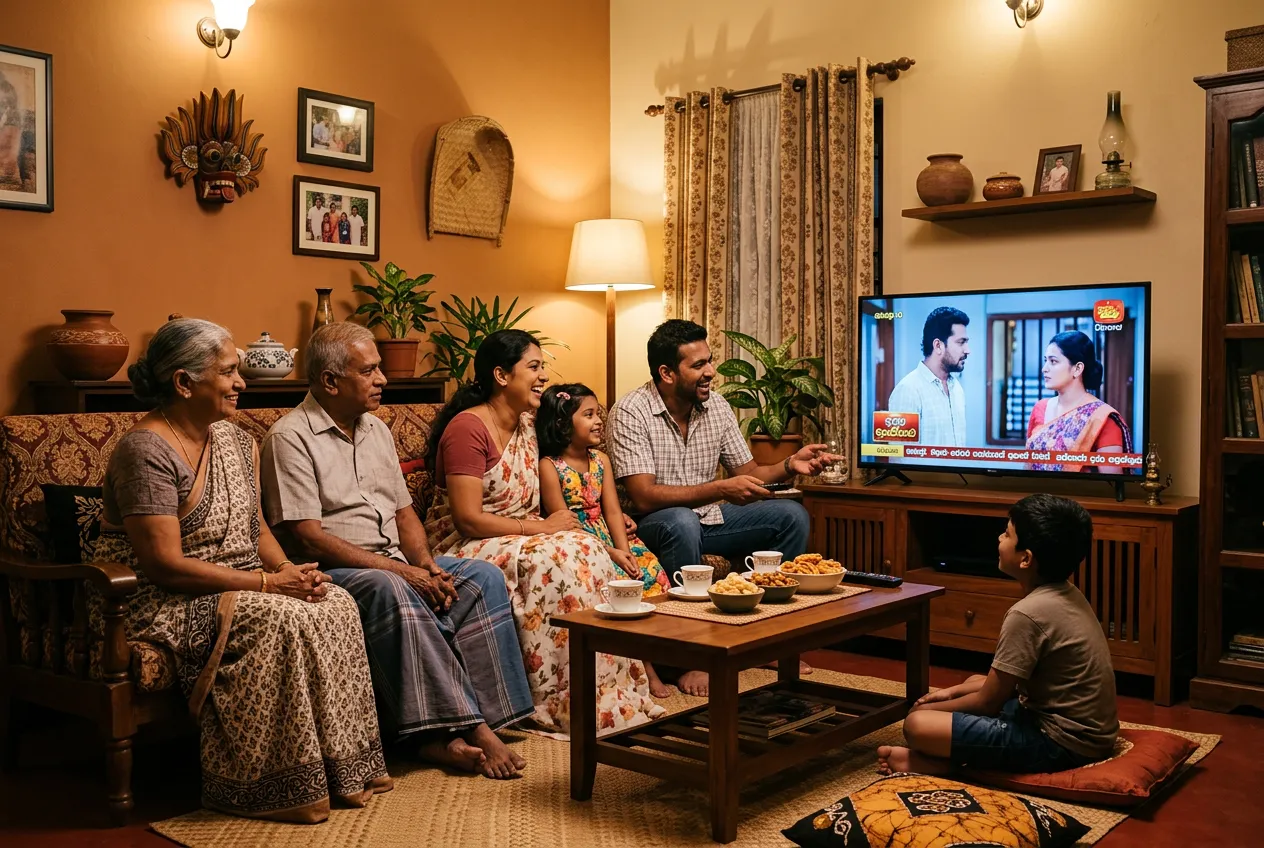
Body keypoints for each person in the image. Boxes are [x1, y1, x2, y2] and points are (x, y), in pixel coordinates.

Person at [92, 318, 390, 822]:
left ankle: (342, 769)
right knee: (280, 616)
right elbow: (164, 566)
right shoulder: (144, 451)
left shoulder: (235, 439)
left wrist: (293, 572)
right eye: (229, 372)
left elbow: (255, 531)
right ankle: (267, 785)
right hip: (160, 601)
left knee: (333, 601)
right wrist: (270, 585)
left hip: (241, 583)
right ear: (184, 383)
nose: (241, 383)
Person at [260, 323, 534, 780]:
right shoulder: (289, 437)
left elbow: (406, 515)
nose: (382, 379)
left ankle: (453, 729)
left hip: (394, 562)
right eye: (368, 371)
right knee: (392, 587)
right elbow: (307, 536)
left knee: (480, 577)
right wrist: (405, 572)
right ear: (330, 381)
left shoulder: (377, 431)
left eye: (380, 370)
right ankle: (472, 726)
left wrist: (426, 565)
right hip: (332, 569)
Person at [422, 329, 665, 738]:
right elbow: (467, 519)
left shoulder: (528, 424)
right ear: (501, 375)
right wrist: (542, 529)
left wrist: (606, 519)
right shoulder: (468, 428)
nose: (543, 376)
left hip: (525, 534)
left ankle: (609, 691)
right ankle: (556, 697)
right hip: (466, 543)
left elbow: (574, 466)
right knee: (558, 558)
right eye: (533, 367)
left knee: (586, 548)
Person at [606, 319, 838, 695]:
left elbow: (748, 472)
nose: (711, 372)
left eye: (709, 361)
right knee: (681, 522)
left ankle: (766, 640)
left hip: (709, 518)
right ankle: (691, 657)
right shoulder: (631, 412)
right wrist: (718, 488)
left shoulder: (716, 406)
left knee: (790, 516)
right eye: (698, 365)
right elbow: (644, 496)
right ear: (666, 373)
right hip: (650, 526)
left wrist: (789, 464)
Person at [877, 494, 1118, 776]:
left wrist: (931, 711)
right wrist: (951, 693)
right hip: (1086, 733)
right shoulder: (1066, 592)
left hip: (1060, 744)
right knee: (974, 682)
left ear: (1026, 559)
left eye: (1007, 533)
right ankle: (946, 755)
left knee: (917, 725)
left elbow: (987, 702)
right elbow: (1004, 688)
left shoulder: (1027, 614)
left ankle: (945, 765)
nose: (999, 538)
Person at [536, 383, 672, 698]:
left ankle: (666, 658)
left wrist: (626, 552)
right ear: (562, 423)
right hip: (580, 544)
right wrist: (611, 554)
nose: (599, 421)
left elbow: (612, 511)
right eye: (589, 415)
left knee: (650, 574)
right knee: (620, 587)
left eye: (599, 414)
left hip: (612, 538)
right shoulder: (550, 466)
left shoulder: (601, 461)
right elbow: (564, 524)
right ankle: (645, 669)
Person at [1025, 330, 1131, 473]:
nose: (1044, 369)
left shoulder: (1102, 418)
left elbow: (1110, 485)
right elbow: (1028, 466)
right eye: (1046, 361)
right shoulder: (1040, 408)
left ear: (1077, 368)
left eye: (1053, 361)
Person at [886, 306, 970, 447]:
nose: (968, 350)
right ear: (938, 345)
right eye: (961, 342)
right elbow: (900, 459)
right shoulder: (908, 391)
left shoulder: (957, 388)